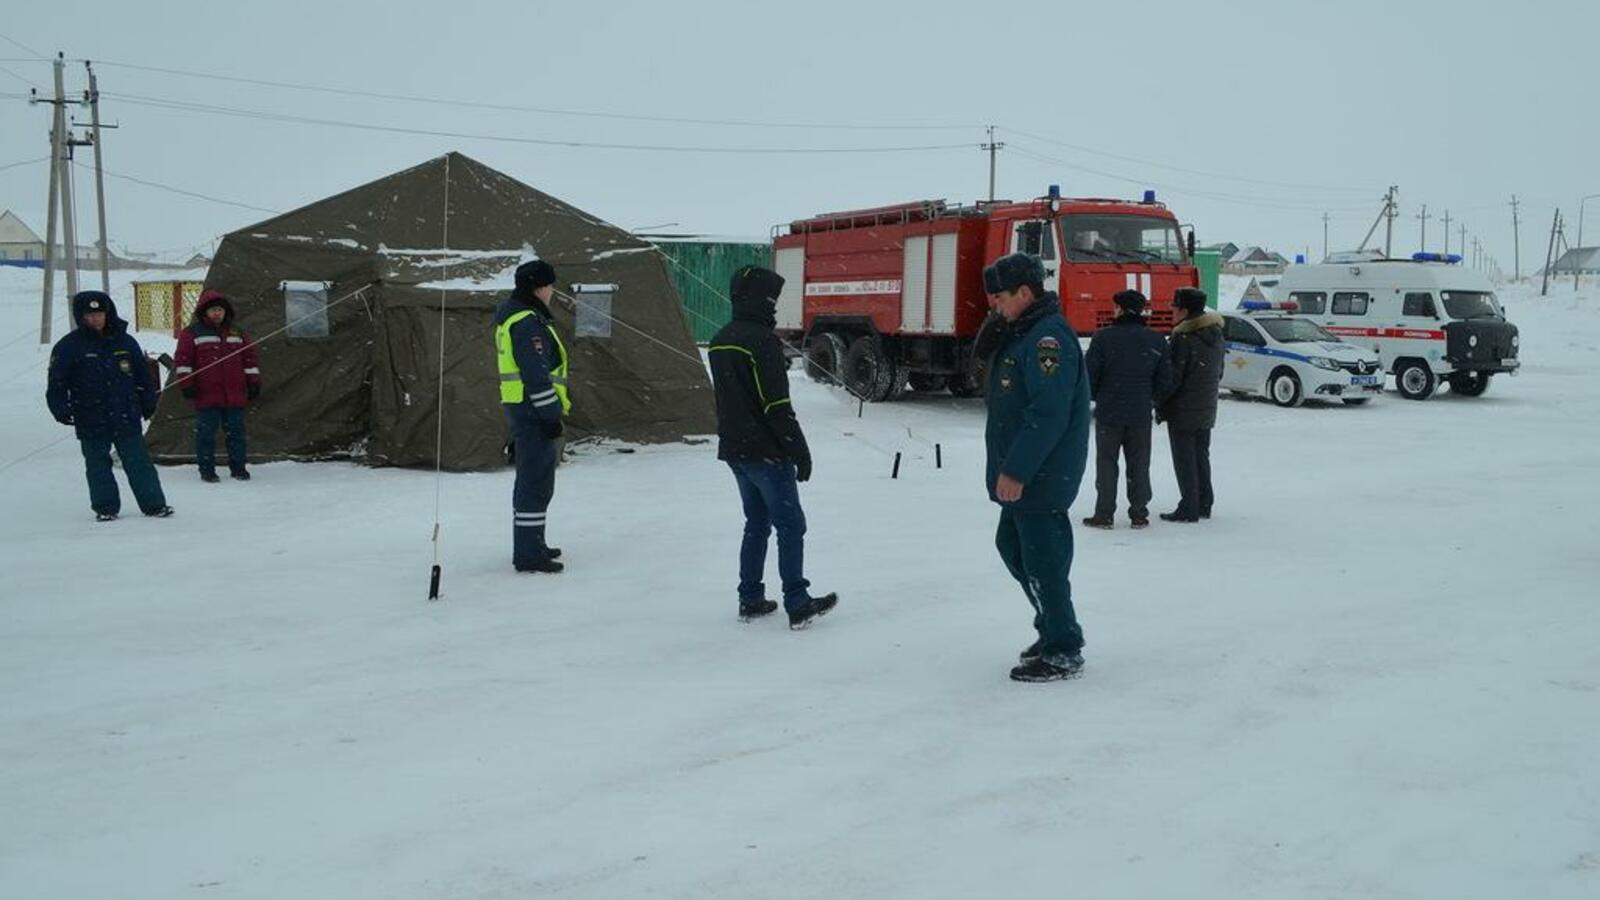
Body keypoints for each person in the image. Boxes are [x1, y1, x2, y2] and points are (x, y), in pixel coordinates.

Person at [981, 253, 1091, 682]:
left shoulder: (1048, 339)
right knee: (1012, 547)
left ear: (1025, 293)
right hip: (1028, 473)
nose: (995, 306)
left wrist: (1018, 470)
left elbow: (1048, 414)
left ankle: (1064, 647)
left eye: (1000, 298)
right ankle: (1053, 628)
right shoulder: (1023, 332)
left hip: (1043, 474)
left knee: (1043, 559)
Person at [708, 265, 837, 630]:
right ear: (759, 300)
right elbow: (776, 406)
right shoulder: (761, 341)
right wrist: (799, 450)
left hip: (734, 449)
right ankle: (797, 601)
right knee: (790, 524)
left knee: (756, 523)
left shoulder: (720, 339)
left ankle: (749, 598)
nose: (775, 308)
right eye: (772, 301)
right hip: (766, 451)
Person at [46, 290, 173, 521]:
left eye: (100, 313)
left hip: (126, 415)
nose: (95, 319)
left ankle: (154, 505)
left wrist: (148, 404)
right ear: (81, 317)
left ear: (108, 314)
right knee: (97, 465)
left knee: (139, 463)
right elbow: (56, 382)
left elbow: (143, 378)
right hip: (90, 417)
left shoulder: (125, 342)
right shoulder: (68, 346)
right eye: (90, 315)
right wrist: (60, 409)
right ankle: (106, 508)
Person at [494, 259, 570, 573]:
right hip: (533, 410)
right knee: (535, 481)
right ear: (540, 287)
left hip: (523, 407)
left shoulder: (515, 316)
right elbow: (536, 375)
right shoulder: (527, 323)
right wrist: (551, 414)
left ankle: (533, 542)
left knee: (534, 478)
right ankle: (528, 553)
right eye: (551, 286)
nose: (553, 292)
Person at [1082, 289, 1173, 529]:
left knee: (1107, 464)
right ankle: (1139, 513)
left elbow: (1089, 376)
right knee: (1139, 464)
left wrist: (1098, 395)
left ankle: (1104, 513)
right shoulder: (1156, 340)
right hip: (1140, 414)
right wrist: (1149, 397)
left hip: (1109, 412)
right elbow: (1165, 381)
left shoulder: (1103, 338)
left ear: (1120, 309)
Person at [174, 290, 260, 482]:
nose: (217, 314)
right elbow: (183, 361)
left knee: (237, 435)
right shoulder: (192, 333)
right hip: (206, 395)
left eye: (220, 310)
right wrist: (186, 384)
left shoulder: (237, 333)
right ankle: (207, 470)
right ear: (204, 312)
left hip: (234, 395)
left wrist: (253, 382)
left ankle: (238, 468)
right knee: (206, 436)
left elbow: (249, 360)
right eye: (213, 310)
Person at [1157, 287, 1225, 523]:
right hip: (1206, 406)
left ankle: (1189, 506)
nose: (1171, 311)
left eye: (1174, 307)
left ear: (1185, 311)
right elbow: (1219, 372)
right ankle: (1204, 502)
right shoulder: (1215, 334)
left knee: (1184, 459)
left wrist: (1160, 399)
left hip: (1183, 409)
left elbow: (1173, 378)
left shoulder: (1183, 338)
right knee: (1200, 455)